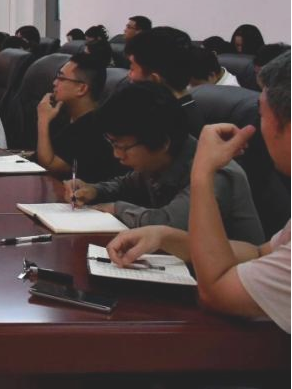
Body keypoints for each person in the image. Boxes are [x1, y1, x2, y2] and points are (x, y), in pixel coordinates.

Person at [107, 51, 291, 332]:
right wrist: (166, 236)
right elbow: (258, 252)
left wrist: (203, 172)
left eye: (262, 114)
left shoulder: (217, 174)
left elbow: (216, 293)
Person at [65, 82, 263, 243]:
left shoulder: (214, 170)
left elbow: (169, 225)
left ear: (162, 143)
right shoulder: (161, 159)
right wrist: (94, 190)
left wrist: (116, 209)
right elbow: (126, 185)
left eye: (122, 146)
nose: (117, 154)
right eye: (112, 143)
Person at [35, 53, 121, 181]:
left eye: (61, 78)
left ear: (82, 89)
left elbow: (50, 168)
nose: (54, 83)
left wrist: (43, 120)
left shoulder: (94, 129)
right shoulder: (64, 114)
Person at [125, 26, 205, 137]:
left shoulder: (165, 127)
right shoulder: (180, 109)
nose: (128, 75)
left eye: (132, 68)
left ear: (154, 79)